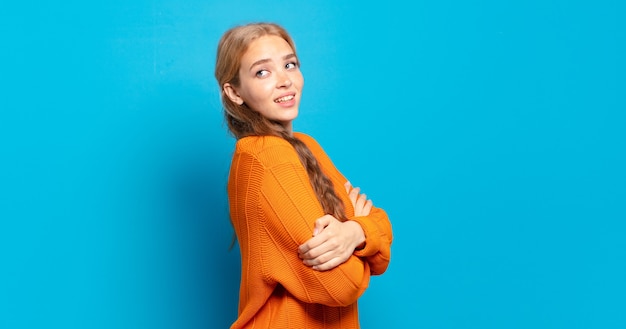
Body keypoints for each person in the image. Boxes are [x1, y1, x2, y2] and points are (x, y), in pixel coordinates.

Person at [214, 22, 393, 329]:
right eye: (262, 72)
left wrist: (355, 233)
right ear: (235, 92)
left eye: (290, 64)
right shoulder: (265, 156)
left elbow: (379, 219)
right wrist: (367, 234)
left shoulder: (306, 146)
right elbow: (342, 282)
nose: (285, 81)